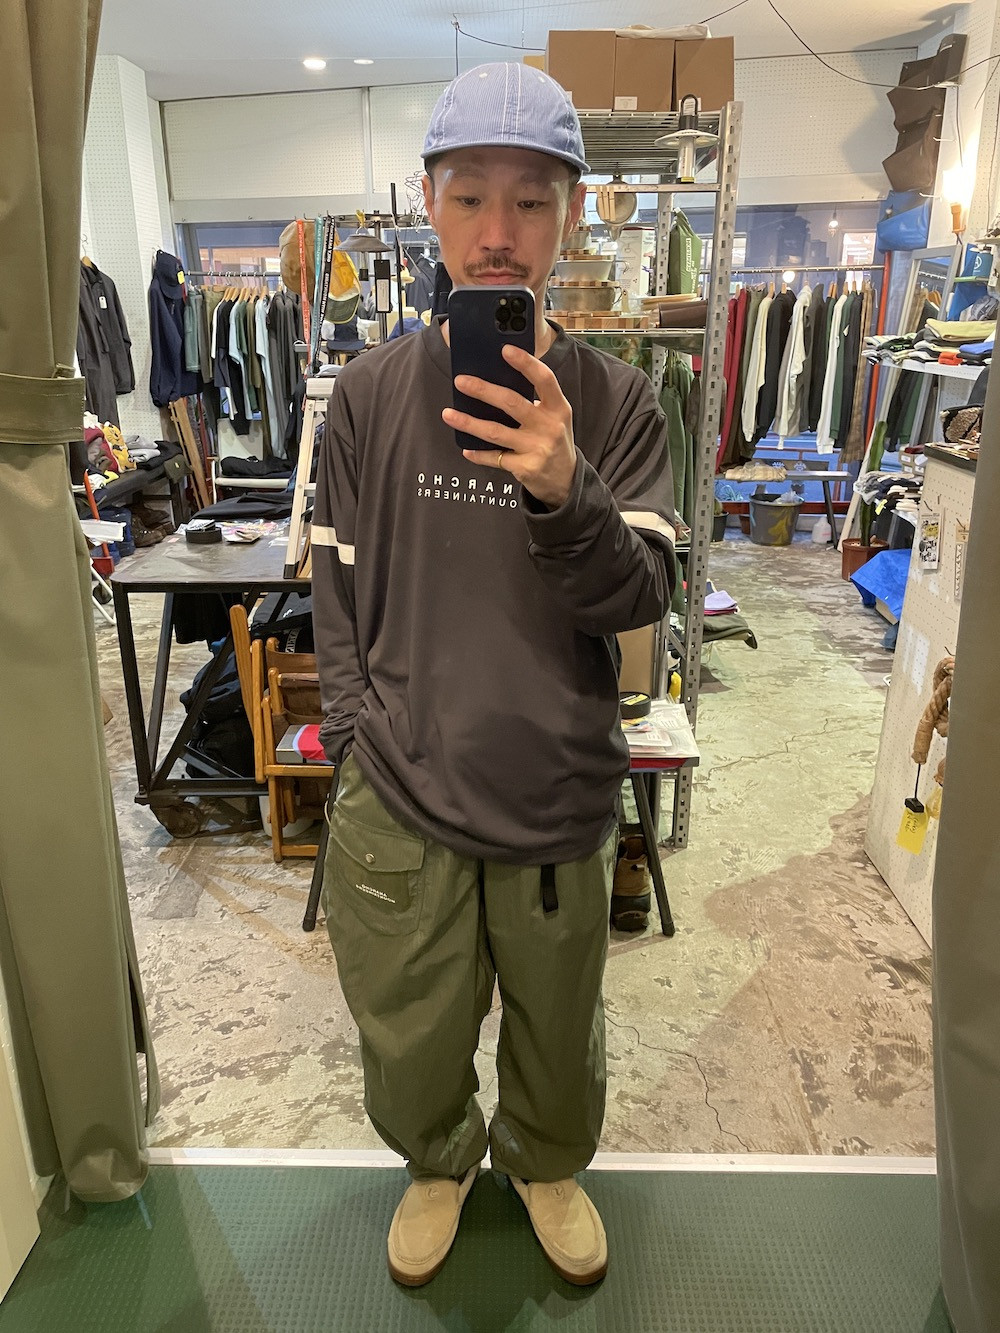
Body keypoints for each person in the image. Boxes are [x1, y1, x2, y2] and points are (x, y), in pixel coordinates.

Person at [312, 61, 676, 1288]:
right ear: (429, 203)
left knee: (559, 1025)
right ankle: (436, 1162)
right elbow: (334, 586)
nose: (498, 232)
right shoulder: (367, 396)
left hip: (556, 784)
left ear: (570, 216)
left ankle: (544, 1161)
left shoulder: (620, 402)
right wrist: (355, 740)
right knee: (407, 1023)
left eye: (530, 200)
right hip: (400, 786)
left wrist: (567, 487)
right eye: (470, 196)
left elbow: (636, 601)